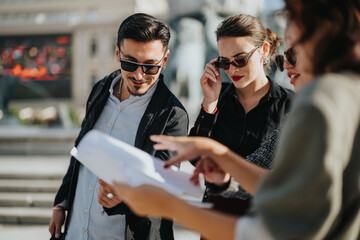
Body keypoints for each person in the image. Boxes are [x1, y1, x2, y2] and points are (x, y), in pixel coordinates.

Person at [110, 0, 360, 239]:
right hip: (217, 221)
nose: (232, 69)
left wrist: (169, 206)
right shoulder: (340, 95)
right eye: (224, 62)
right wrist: (213, 138)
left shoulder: (312, 104)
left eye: (293, 53)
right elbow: (276, 185)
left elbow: (284, 225)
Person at [48, 13, 189, 240]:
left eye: (151, 67)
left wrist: (126, 196)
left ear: (165, 60)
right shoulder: (101, 88)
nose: (139, 75)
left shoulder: (173, 115)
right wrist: (61, 203)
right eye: (130, 63)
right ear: (117, 53)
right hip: (75, 232)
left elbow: (164, 188)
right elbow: (80, 151)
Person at [189, 13, 294, 214]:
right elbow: (196, 159)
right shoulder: (218, 98)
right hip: (216, 217)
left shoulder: (291, 104)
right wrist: (209, 103)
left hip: (266, 220)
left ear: (263, 50)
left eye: (240, 59)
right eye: (224, 62)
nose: (231, 69)